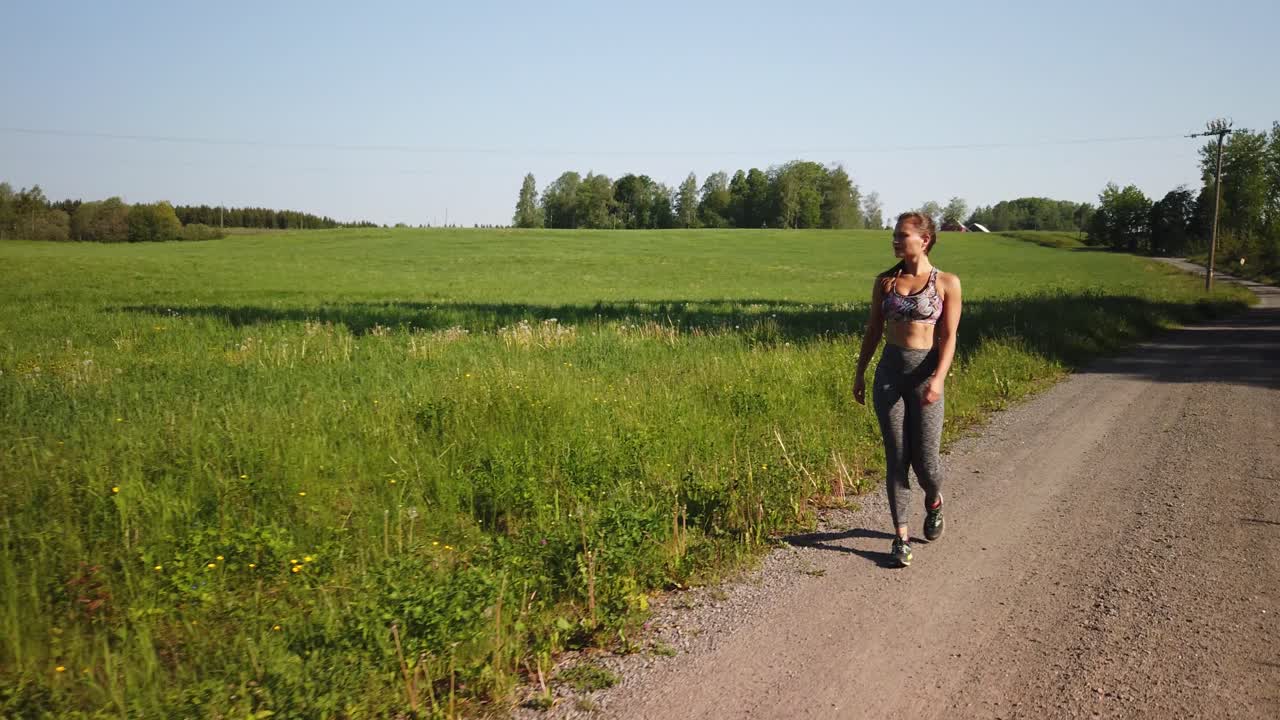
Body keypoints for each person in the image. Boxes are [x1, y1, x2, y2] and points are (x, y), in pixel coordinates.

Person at [852, 212, 963, 567]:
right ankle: (900, 536)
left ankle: (934, 500)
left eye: (903, 236)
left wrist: (939, 379)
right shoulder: (885, 282)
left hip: (925, 376)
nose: (896, 242)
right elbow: (872, 331)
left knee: (926, 462)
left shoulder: (946, 283)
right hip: (889, 375)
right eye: (894, 237)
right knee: (897, 457)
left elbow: (949, 338)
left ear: (924, 240)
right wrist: (860, 372)